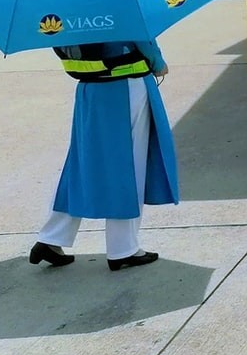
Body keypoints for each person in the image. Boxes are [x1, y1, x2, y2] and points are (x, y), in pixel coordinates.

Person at [28, 39, 179, 270]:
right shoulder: (118, 1)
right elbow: (138, 32)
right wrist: (157, 61)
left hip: (89, 87)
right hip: (125, 85)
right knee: (129, 165)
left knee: (83, 165)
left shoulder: (64, 5)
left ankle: (52, 237)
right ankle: (123, 248)